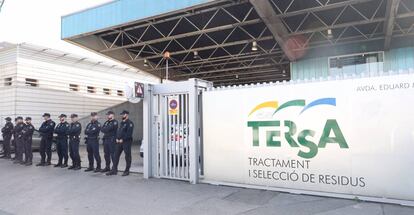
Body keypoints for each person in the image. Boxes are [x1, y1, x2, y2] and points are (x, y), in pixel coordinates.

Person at [107, 110, 134, 176]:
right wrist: (116, 138)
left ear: (127, 115)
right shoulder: (121, 123)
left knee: (127, 156)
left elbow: (129, 134)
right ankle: (114, 170)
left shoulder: (130, 123)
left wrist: (123, 139)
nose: (122, 115)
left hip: (126, 142)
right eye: (121, 114)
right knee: (115, 156)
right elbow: (118, 132)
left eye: (123, 114)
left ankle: (127, 171)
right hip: (119, 142)